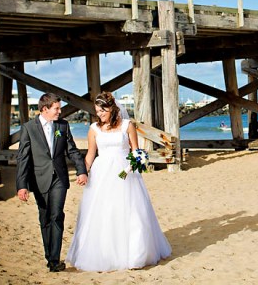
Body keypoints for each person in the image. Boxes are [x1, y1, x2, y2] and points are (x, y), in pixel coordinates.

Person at [66, 91, 171, 271]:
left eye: (102, 111)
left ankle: (135, 254)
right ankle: (106, 253)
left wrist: (132, 166)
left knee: (131, 210)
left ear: (112, 109)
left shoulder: (127, 126)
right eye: (97, 111)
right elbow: (90, 154)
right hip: (101, 173)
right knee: (104, 211)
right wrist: (83, 172)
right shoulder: (94, 129)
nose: (99, 114)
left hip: (125, 173)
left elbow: (136, 152)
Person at [16, 93, 88, 273]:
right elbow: (23, 158)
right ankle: (49, 256)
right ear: (45, 109)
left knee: (56, 215)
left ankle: (55, 260)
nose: (59, 112)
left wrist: (81, 170)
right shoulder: (28, 128)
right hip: (39, 178)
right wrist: (22, 185)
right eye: (56, 108)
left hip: (59, 179)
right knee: (45, 217)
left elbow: (72, 150)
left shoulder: (62, 125)